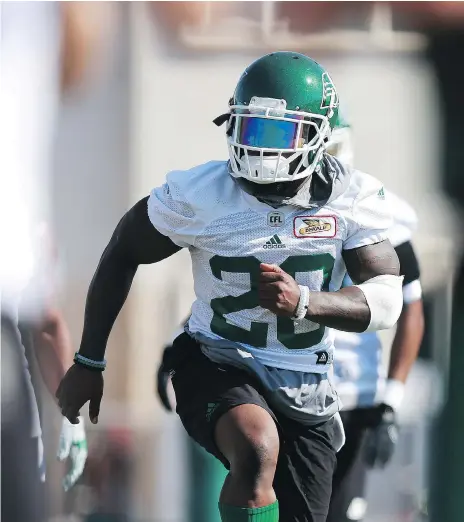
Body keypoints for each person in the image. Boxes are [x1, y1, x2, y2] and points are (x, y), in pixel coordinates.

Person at [56, 52, 404, 522]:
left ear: (315, 135)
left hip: (306, 382)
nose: (259, 147)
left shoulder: (348, 198)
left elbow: (386, 298)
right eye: (250, 129)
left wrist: (306, 303)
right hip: (216, 359)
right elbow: (123, 250)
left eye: (277, 133)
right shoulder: (201, 195)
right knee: (257, 446)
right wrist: (89, 359)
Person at [324, 116, 424, 522]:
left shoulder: (375, 208)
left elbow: (411, 308)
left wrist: (390, 402)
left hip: (352, 394)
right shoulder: (262, 208)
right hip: (281, 385)